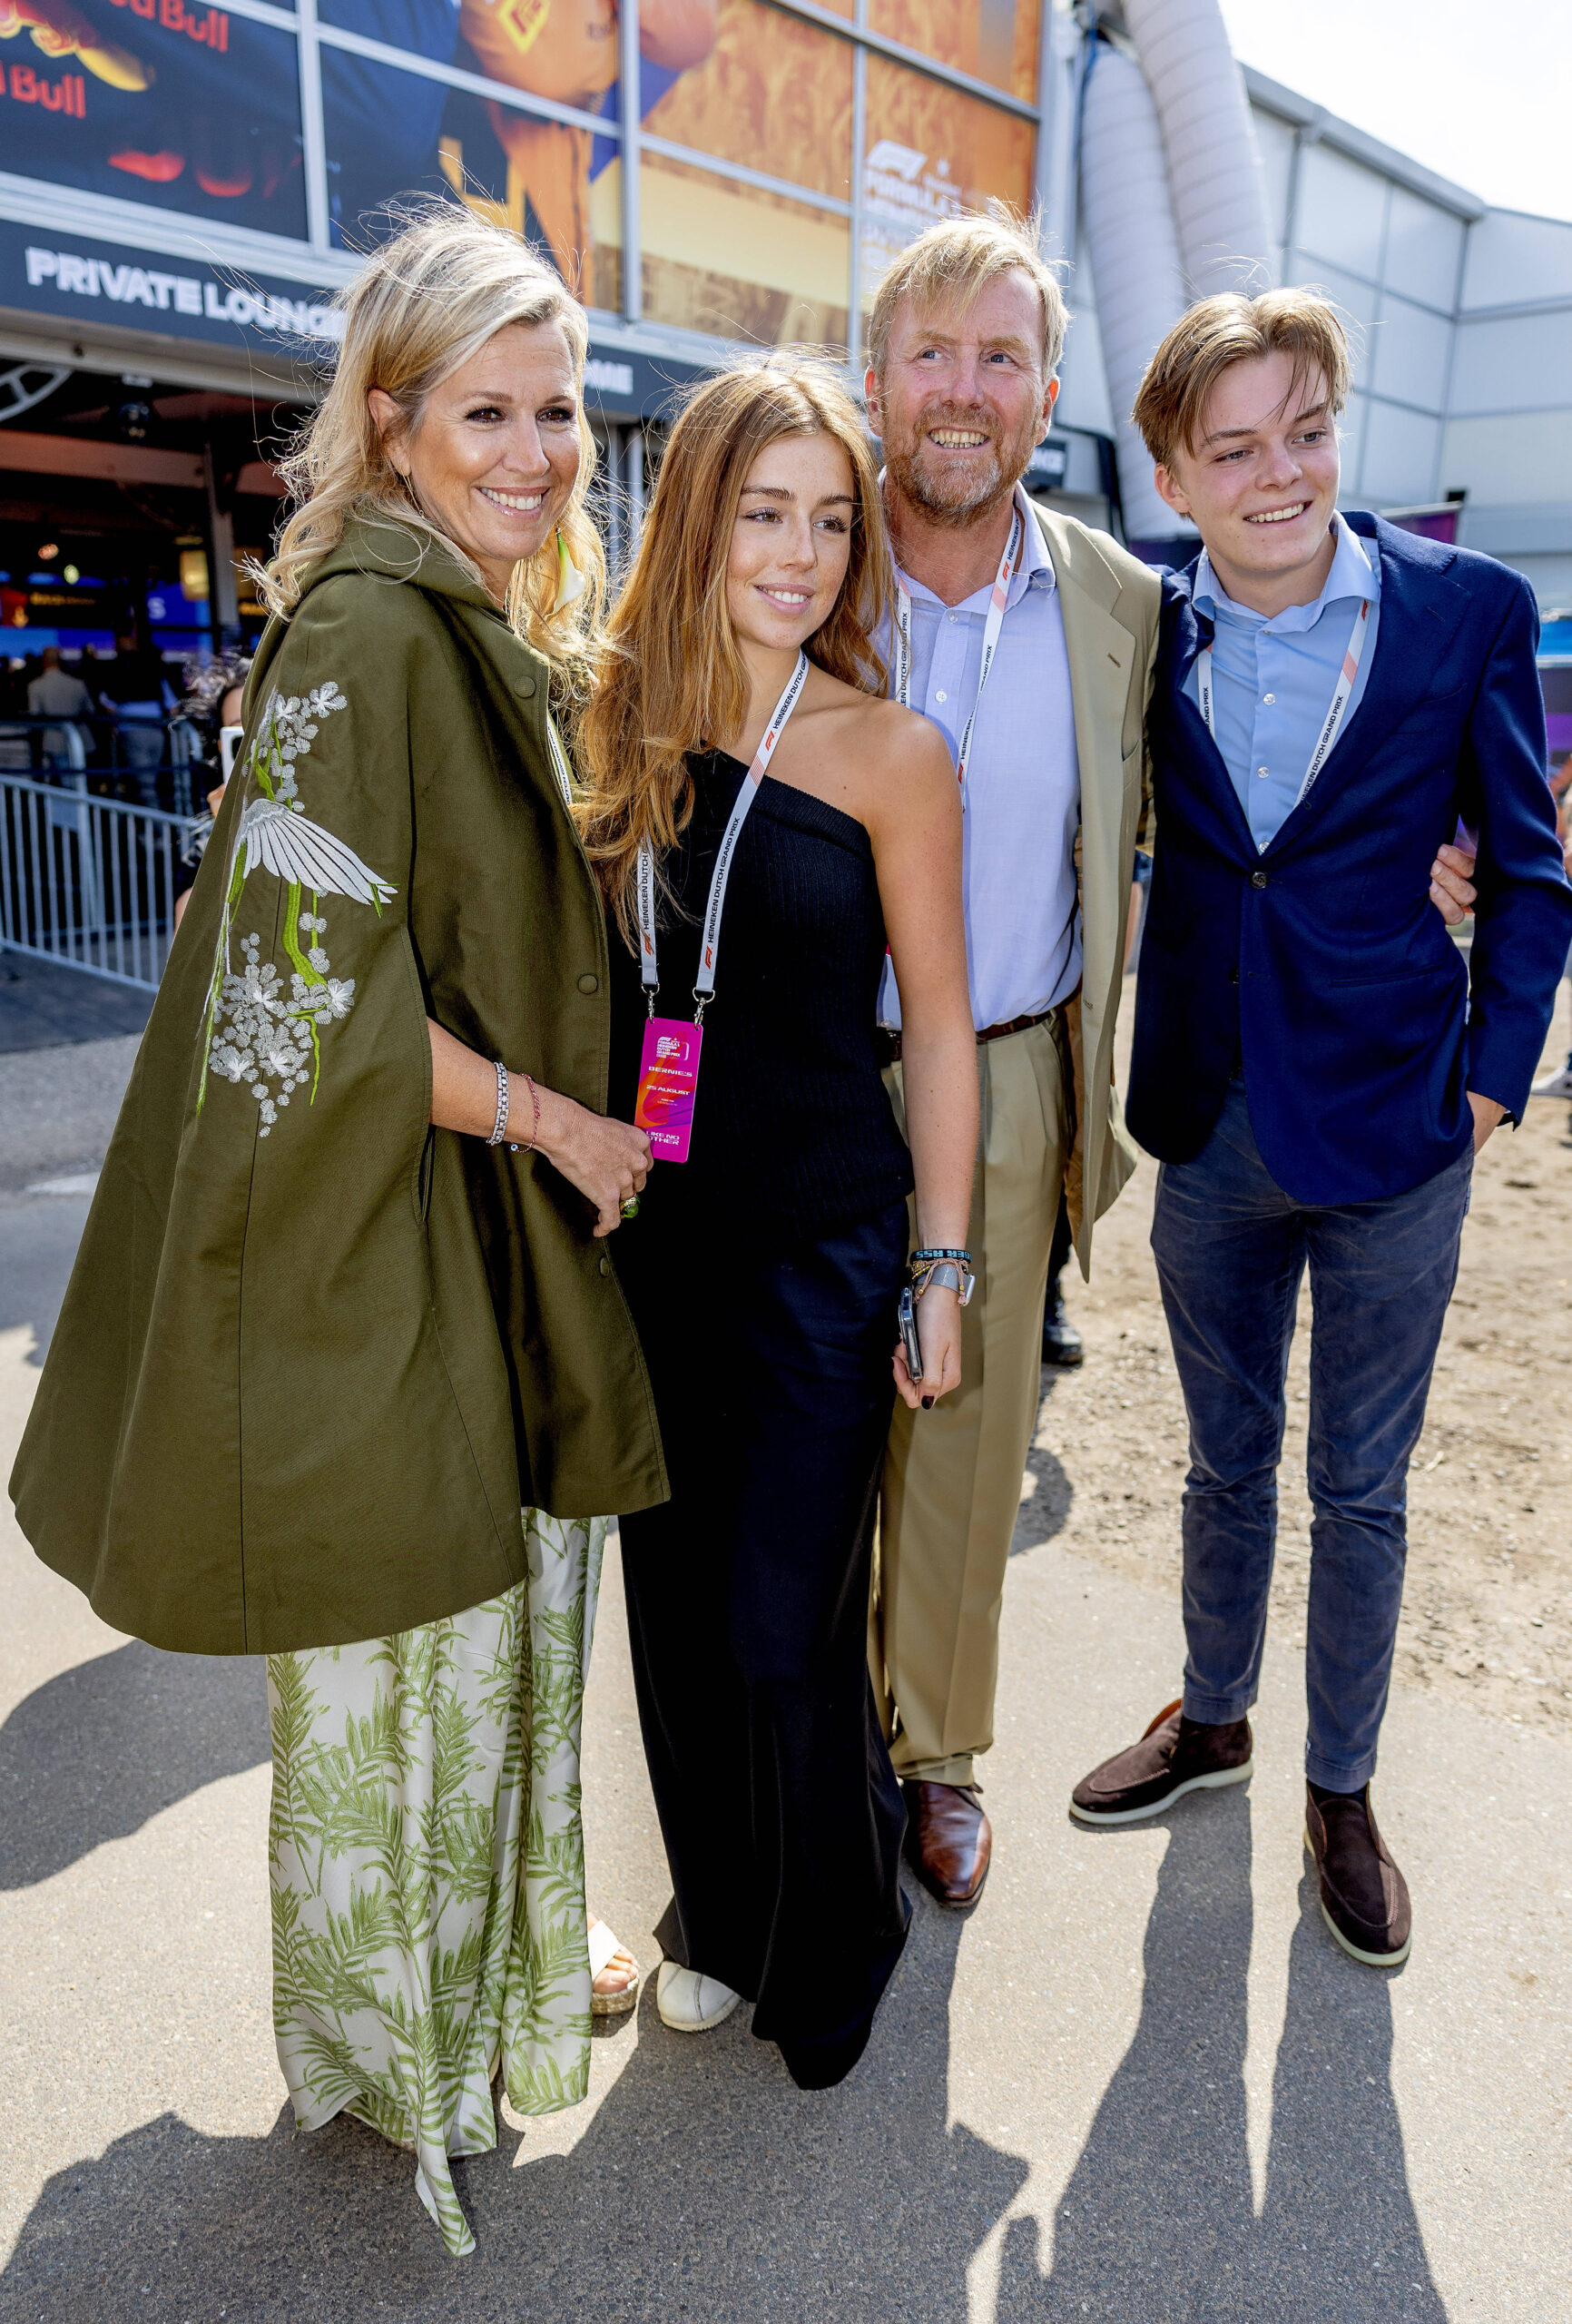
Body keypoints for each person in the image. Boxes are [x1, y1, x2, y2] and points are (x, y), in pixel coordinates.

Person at [9, 208, 669, 2254]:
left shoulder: (458, 610)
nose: (537, 446)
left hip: (461, 1235)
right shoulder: (375, 630)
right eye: (486, 407)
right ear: (389, 423)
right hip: (399, 1248)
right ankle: (406, 2039)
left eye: (557, 407)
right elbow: (308, 1004)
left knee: (470, 1644)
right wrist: (562, 1115)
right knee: (420, 1655)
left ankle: (464, 1990)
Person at [1070, 289, 1572, 1969]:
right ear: (1172, 474)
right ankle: (1213, 1721)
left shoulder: (1467, 614)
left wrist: (1495, 1078)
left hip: (1397, 1132)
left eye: (1306, 431)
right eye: (1234, 448)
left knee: (1359, 1487)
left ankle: (1340, 1790)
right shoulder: (1139, 633)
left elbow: (1529, 866)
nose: (1278, 474)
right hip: (1208, 1121)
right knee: (1222, 1458)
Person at [575, 359, 978, 2088]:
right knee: (670, 1608)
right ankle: (719, 1920)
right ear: (693, 516)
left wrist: (945, 1262)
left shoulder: (891, 749)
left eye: (830, 518)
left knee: (778, 1615)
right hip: (649, 1240)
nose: (802, 552)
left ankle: (839, 1928)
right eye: (765, 513)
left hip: (824, 1243)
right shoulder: (609, 720)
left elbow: (943, 1022)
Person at [860, 211, 1163, 1909]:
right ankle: (806, 1735)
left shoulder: (1118, 600)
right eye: (930, 354)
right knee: (812, 1422)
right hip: (823, 1077)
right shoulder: (804, 567)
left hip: (1016, 1064)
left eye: (997, 359)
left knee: (967, 1439)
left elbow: (1203, 823)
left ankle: (937, 1752)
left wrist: (1435, 860)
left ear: (1047, 394)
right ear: (877, 375)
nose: (959, 394)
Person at [172, 652, 251, 928]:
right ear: (220, 745)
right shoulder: (203, 848)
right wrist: (228, 834)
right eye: (240, 735)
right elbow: (188, 950)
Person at [25, 644, 91, 770]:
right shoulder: (78, 684)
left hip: (54, 740)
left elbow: (35, 715)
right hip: (81, 736)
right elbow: (90, 710)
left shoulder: (36, 686)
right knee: (80, 776)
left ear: (43, 661)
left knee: (65, 780)